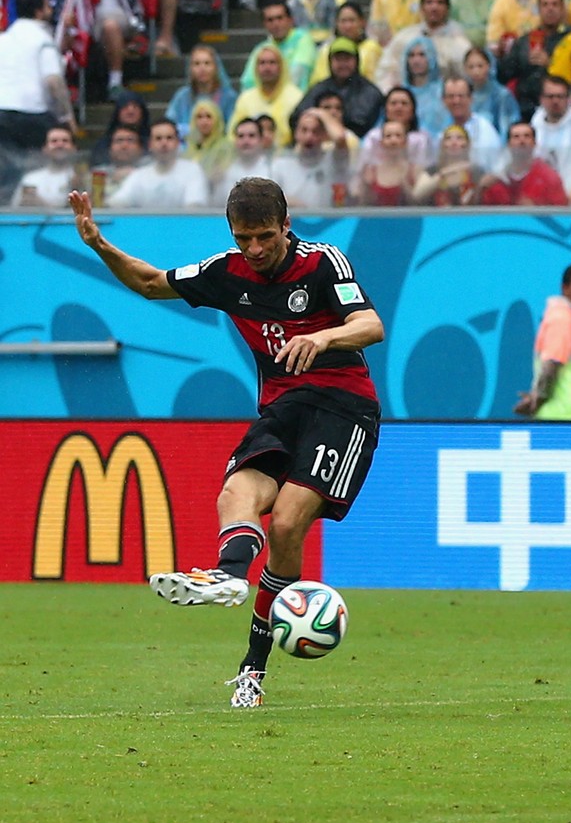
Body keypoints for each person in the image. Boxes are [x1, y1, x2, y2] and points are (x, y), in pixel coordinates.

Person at [67, 177, 384, 708]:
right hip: (281, 407)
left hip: (343, 406)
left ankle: (252, 671)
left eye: (264, 237)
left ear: (286, 226)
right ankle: (230, 574)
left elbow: (370, 324)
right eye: (244, 239)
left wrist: (321, 336)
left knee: (285, 522)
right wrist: (98, 243)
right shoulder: (225, 273)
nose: (255, 250)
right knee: (236, 492)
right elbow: (149, 283)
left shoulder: (325, 263)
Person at [0, 0, 74, 183]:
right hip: (32, 115)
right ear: (40, 11)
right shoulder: (43, 39)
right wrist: (66, 117)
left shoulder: (3, 40)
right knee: (32, 171)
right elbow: (54, 81)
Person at [515, 263, 571, 418]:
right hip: (564, 417)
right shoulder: (561, 319)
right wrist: (538, 400)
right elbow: (552, 363)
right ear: (565, 288)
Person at [291, 38, 384, 140]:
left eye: (347, 59)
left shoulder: (369, 91)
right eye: (338, 59)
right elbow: (297, 117)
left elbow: (359, 124)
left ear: (356, 61)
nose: (343, 64)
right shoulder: (319, 88)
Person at [108, 117, 208, 206]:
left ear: (177, 143)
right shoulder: (139, 175)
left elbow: (194, 207)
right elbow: (117, 203)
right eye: (158, 138)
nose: (164, 143)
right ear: (150, 145)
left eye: (169, 138)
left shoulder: (192, 170)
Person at [229, 44, 303, 147]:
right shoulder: (245, 98)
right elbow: (232, 134)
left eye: (272, 63)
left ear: (281, 66)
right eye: (262, 63)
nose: (267, 68)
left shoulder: (296, 97)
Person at [480, 120, 569, 204]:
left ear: (535, 143)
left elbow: (562, 212)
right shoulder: (497, 180)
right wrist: (480, 189)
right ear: (508, 145)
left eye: (527, 136)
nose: (522, 141)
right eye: (516, 137)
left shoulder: (549, 177)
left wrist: (536, 209)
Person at [241, 1, 318, 93]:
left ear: (290, 20)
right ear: (264, 24)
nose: (275, 24)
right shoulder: (261, 48)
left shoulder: (303, 39)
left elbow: (297, 75)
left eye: (280, 18)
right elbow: (247, 83)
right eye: (270, 20)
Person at [166, 43, 237, 138]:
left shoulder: (229, 97)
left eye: (207, 63)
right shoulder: (182, 96)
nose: (202, 68)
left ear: (216, 68)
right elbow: (169, 125)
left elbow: (232, 129)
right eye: (196, 64)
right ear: (190, 68)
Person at [11, 123, 81, 207]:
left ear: (74, 148)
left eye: (65, 141)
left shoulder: (83, 178)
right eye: (54, 141)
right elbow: (14, 209)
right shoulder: (30, 179)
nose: (59, 145)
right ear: (45, 149)